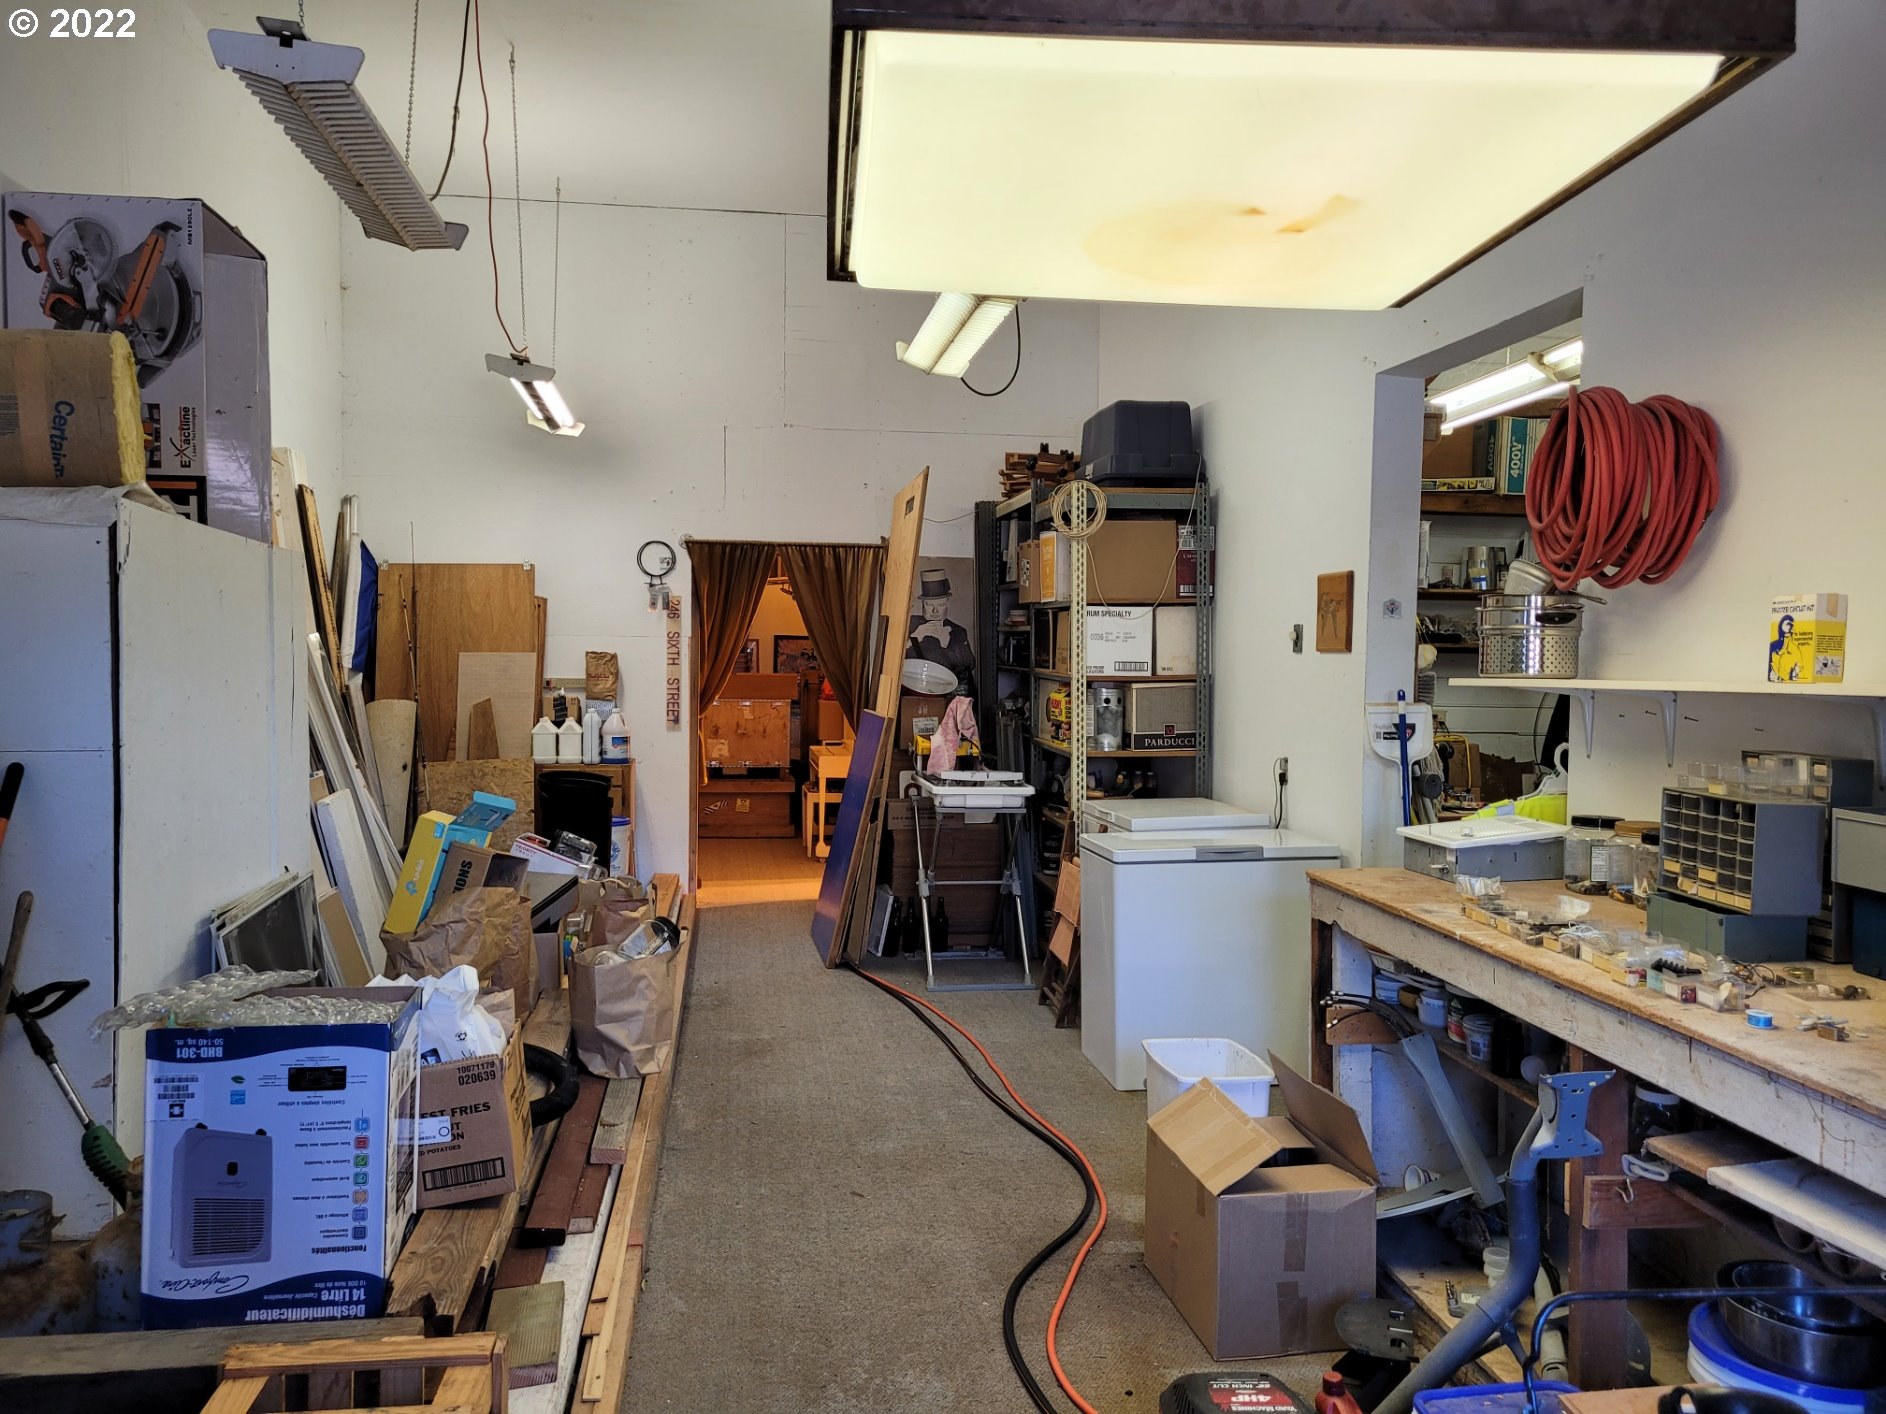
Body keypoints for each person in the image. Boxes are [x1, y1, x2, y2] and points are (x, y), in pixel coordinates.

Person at [906, 566, 976, 697]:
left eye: (941, 605)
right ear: (922, 604)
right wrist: (915, 637)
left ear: (947, 603)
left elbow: (969, 665)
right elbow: (893, 660)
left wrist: (947, 644)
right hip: (913, 691)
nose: (935, 611)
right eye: (929, 605)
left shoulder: (957, 631)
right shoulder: (910, 624)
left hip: (946, 693)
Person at [1769, 613, 1800, 682]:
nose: (1789, 627)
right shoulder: (1773, 645)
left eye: (1791, 625)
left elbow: (1798, 667)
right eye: (1788, 625)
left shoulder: (1795, 647)